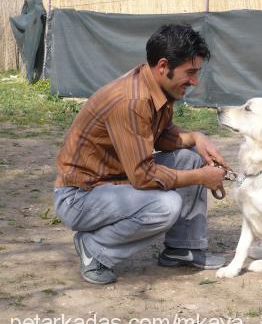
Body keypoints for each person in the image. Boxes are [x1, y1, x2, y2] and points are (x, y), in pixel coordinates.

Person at [53, 24, 227, 285]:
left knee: (190, 156)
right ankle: (95, 247)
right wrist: (202, 177)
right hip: (80, 196)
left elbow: (161, 135)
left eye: (197, 72)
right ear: (163, 65)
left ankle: (183, 249)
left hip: (115, 183)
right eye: (190, 72)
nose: (194, 81)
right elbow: (143, 176)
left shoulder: (155, 86)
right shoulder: (132, 100)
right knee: (165, 206)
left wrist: (195, 138)